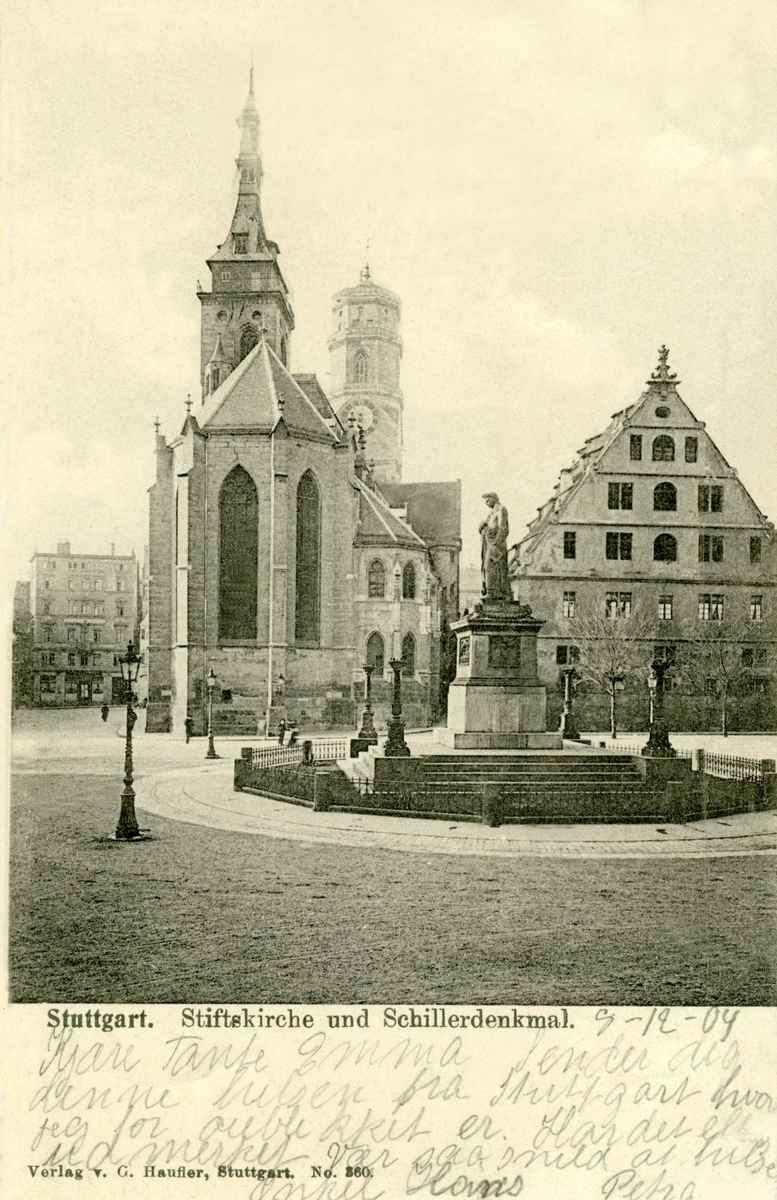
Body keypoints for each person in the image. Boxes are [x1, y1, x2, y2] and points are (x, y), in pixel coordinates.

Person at [479, 492, 512, 602]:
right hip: (490, 544)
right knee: (487, 567)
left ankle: (494, 593)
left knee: (492, 567)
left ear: (494, 498)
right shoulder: (491, 514)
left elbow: (503, 529)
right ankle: (491, 592)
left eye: (487, 499)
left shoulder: (501, 509)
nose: (486, 502)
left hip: (497, 546)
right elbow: (489, 528)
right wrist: (483, 526)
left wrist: (497, 545)